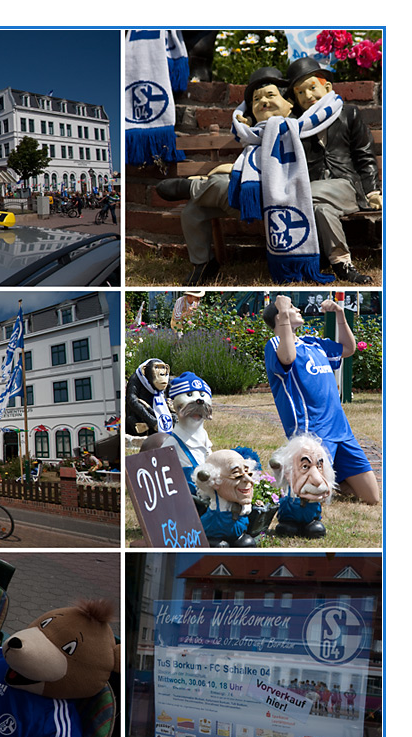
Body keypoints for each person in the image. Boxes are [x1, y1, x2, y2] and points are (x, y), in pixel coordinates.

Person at [156, 67, 296, 282]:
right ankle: (203, 264)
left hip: (276, 199)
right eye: (256, 100)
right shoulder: (252, 136)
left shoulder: (295, 130)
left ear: (289, 103)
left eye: (270, 95)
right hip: (246, 197)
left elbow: (278, 169)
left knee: (222, 186)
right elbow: (250, 166)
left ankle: (192, 187)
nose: (263, 102)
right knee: (193, 210)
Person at [264, 294, 379, 505]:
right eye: (291, 307)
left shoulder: (313, 343)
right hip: (313, 435)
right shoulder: (275, 345)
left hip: (341, 432)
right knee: (311, 497)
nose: (298, 309)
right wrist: (282, 313)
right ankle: (307, 481)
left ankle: (332, 483)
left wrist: (340, 315)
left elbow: (348, 349)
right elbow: (288, 358)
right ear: (279, 317)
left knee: (372, 497)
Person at [285, 57, 381, 285]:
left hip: (345, 185)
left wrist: (372, 192)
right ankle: (342, 264)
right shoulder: (296, 124)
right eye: (300, 93)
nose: (308, 96)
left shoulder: (348, 114)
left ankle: (288, 198)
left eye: (312, 88)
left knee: (298, 195)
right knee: (320, 209)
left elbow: (364, 155)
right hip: (317, 194)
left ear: (327, 87)